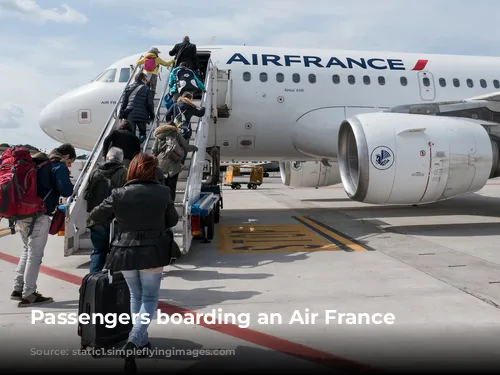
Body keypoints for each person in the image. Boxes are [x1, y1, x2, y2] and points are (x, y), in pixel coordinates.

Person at [87, 153, 179, 372]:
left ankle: (142, 342)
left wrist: (117, 216)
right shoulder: (163, 192)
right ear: (153, 170)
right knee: (149, 296)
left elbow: (96, 215)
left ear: (132, 170)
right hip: (153, 251)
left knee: (135, 295)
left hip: (124, 252)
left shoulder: (119, 193)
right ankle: (134, 340)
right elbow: (173, 220)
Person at [11, 143, 76, 307]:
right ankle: (29, 294)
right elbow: (67, 191)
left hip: (22, 213)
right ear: (66, 155)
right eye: (70, 162)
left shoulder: (38, 163)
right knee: (35, 255)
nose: (68, 165)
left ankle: (18, 288)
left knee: (27, 250)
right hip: (39, 215)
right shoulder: (58, 166)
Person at [83, 147, 127, 273]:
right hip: (116, 217)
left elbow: (86, 194)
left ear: (107, 158)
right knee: (117, 250)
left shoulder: (95, 171)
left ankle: (93, 280)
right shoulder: (124, 172)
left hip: (96, 216)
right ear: (121, 159)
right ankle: (114, 281)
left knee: (98, 251)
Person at [151, 122, 198, 201]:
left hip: (161, 164)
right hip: (174, 164)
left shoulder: (159, 135)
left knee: (161, 186)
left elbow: (154, 151)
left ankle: (162, 205)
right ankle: (170, 206)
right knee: (172, 187)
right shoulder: (176, 134)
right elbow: (186, 146)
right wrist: (195, 148)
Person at [119, 73, 155, 144]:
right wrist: (152, 115)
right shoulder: (147, 89)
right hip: (142, 115)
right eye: (145, 80)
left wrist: (121, 115)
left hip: (129, 114)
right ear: (142, 80)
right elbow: (149, 104)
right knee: (143, 134)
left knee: (131, 134)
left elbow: (123, 104)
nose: (146, 82)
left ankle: (132, 149)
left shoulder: (128, 88)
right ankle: (137, 145)